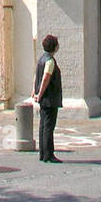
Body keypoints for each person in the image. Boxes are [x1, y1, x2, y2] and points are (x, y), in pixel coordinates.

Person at [32, 33, 63, 163]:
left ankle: (43, 153)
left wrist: (35, 91)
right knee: (49, 126)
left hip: (43, 98)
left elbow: (36, 76)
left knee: (43, 125)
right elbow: (45, 77)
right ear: (54, 47)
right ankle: (48, 154)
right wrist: (40, 93)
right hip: (49, 98)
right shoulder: (49, 61)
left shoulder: (41, 59)